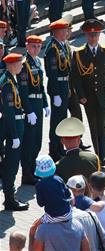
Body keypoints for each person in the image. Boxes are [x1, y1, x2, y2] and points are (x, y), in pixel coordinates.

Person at [70, 18, 105, 165]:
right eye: (91, 35)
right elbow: (76, 77)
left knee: (101, 125)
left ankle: (103, 155)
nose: (93, 38)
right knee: (93, 126)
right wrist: (81, 95)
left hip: (102, 95)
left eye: (96, 35)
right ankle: (98, 156)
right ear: (86, 35)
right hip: (88, 97)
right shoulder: (79, 54)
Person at [0, 53, 29, 210]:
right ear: (12, 65)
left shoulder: (10, 80)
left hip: (14, 125)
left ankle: (10, 197)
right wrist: (14, 136)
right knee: (11, 165)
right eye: (20, 63)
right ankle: (10, 200)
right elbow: (9, 112)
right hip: (12, 128)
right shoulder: (8, 84)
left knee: (9, 165)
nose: (22, 66)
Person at [18, 34, 48, 184]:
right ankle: (26, 174)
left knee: (37, 141)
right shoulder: (25, 65)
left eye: (39, 47)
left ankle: (32, 170)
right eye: (33, 46)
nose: (36, 49)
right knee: (29, 142)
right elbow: (23, 91)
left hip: (38, 104)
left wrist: (45, 103)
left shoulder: (37, 62)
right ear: (27, 47)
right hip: (30, 104)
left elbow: (40, 86)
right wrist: (28, 111)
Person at [45, 18, 73, 159]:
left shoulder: (63, 45)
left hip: (64, 85)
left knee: (62, 118)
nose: (66, 33)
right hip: (57, 87)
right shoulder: (52, 49)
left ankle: (60, 147)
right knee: (57, 120)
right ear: (56, 32)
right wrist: (55, 94)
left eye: (66, 30)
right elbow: (52, 73)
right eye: (63, 31)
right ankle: (54, 149)